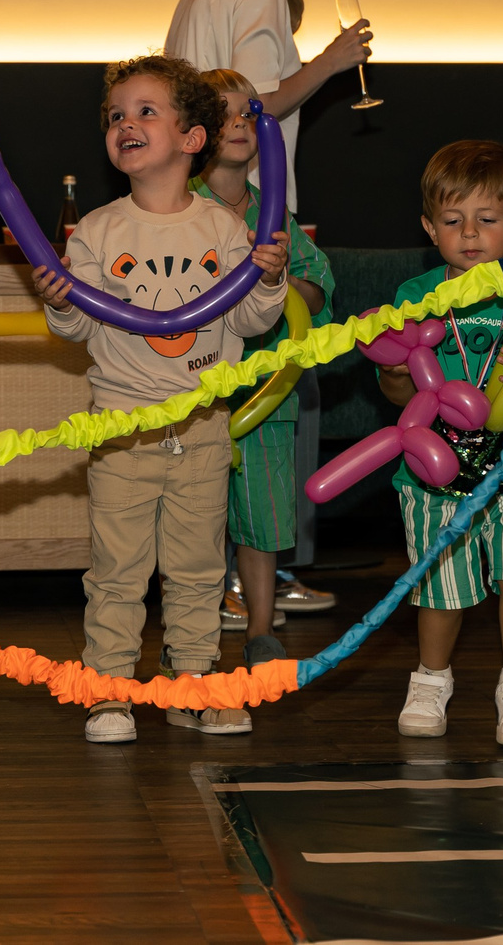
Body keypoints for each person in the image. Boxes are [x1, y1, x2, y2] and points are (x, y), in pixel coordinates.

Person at [31, 55, 289, 742]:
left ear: (192, 138)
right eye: (117, 115)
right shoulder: (97, 231)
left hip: (202, 426)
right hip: (122, 428)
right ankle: (109, 686)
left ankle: (194, 681)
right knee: (117, 569)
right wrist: (59, 302)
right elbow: (78, 326)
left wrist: (269, 278)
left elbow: (253, 320)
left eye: (146, 110)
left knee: (200, 567)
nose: (127, 124)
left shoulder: (225, 230)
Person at [166, 0, 370, 610]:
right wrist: (333, 60)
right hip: (245, 209)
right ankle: (251, 576)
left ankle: (228, 572)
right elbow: (256, 102)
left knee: (211, 392)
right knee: (261, 394)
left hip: (202, 211)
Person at [384, 142, 503, 747]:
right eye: (453, 221)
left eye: (489, 219)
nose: (471, 234)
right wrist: (397, 372)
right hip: (432, 469)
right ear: (430, 228)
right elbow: (389, 383)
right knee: (440, 581)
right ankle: (431, 680)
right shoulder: (416, 294)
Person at [191, 68, 335, 668]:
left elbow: (319, 283)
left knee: (263, 511)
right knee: (195, 512)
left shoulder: (272, 211)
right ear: (194, 131)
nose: (239, 125)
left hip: (266, 391)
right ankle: (195, 625)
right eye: (223, 115)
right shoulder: (180, 210)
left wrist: (281, 284)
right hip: (197, 391)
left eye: (249, 113)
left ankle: (259, 627)